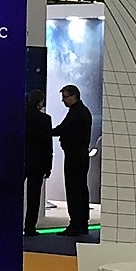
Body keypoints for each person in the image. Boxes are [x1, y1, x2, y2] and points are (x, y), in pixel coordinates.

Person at [52, 84, 94, 238]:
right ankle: (82, 223)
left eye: (65, 97)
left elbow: (62, 129)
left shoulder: (76, 113)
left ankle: (75, 224)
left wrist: (44, 131)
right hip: (81, 155)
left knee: (73, 189)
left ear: (74, 96)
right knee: (81, 188)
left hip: (74, 155)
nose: (63, 101)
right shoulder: (83, 111)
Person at [24, 94, 52, 236]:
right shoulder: (45, 119)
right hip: (38, 162)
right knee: (34, 197)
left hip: (22, 161)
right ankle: (30, 227)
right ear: (40, 102)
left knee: (13, 195)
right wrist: (49, 166)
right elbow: (48, 144)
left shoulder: (21, 117)